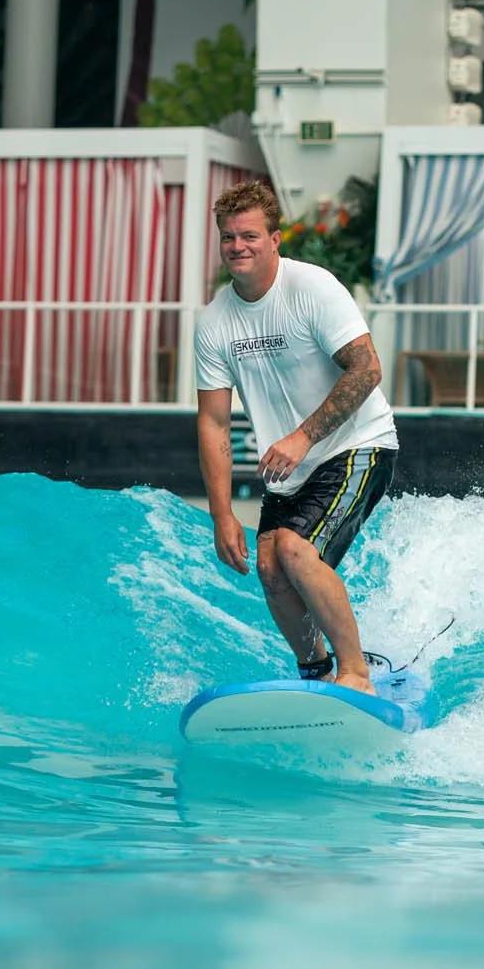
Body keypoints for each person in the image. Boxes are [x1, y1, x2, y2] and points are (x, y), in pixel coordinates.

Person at [194, 179, 399, 696]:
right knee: (270, 566)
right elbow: (214, 422)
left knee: (295, 548)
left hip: (359, 445)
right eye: (227, 237)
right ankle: (317, 673)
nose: (237, 246)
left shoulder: (312, 289)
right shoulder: (215, 322)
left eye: (249, 236)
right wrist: (221, 513)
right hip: (293, 467)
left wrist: (303, 438)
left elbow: (367, 368)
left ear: (275, 239)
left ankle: (356, 675)